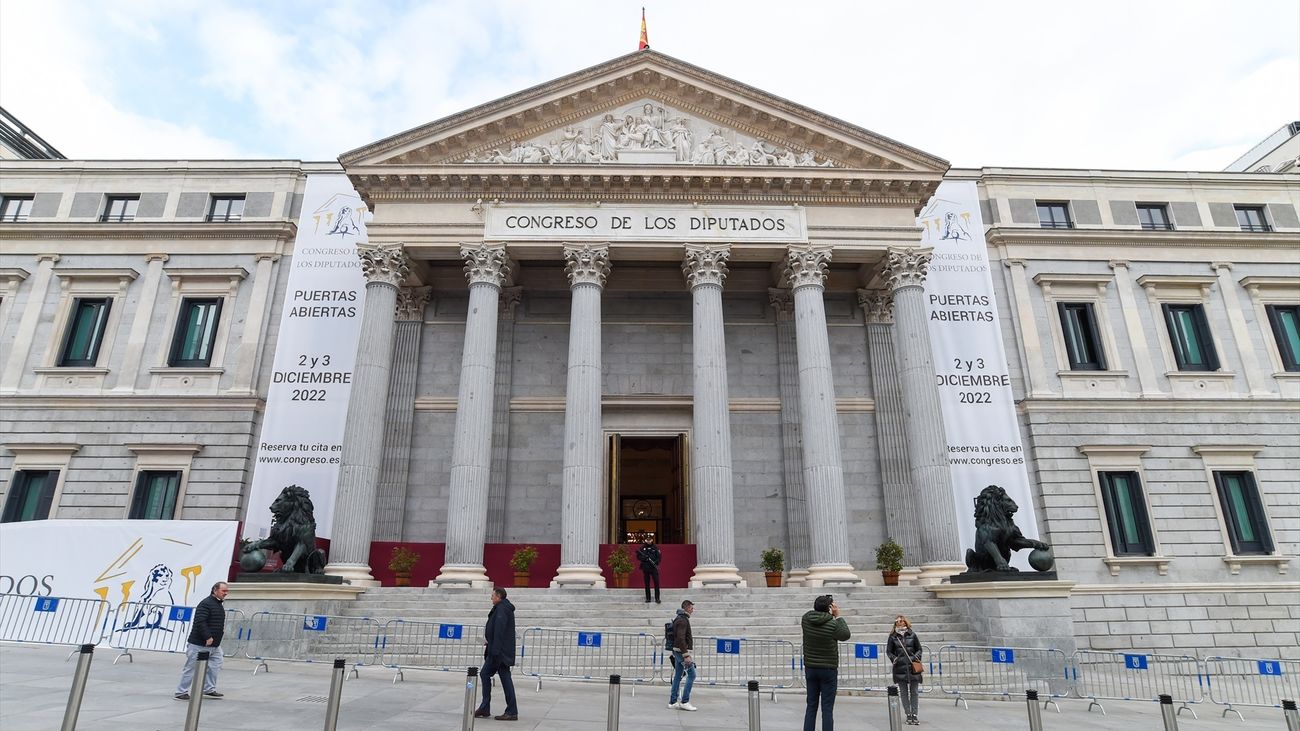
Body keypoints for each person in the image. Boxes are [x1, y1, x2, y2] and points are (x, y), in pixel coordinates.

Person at [800, 594, 850, 731]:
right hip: (828, 669)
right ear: (829, 608)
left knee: (811, 705)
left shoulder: (805, 619)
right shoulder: (833, 624)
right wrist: (837, 616)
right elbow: (845, 635)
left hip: (811, 667)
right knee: (827, 708)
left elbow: (815, 617)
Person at [174, 581, 228, 700]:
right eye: (223, 591)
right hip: (199, 643)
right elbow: (200, 621)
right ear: (215, 590)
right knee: (191, 667)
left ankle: (209, 689)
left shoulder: (218, 604)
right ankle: (180, 692)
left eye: (226, 591)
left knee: (215, 664)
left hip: (214, 645)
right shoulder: (206, 603)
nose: (226, 593)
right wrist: (207, 636)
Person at [474, 588, 519, 721]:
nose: (491, 598)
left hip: (499, 652)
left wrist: (494, 650)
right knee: (499, 677)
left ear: (498, 596)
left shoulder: (501, 609)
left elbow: (499, 631)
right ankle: (489, 707)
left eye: (492, 595)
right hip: (499, 650)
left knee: (488, 675)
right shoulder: (502, 608)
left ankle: (509, 710)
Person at [887, 614, 923, 725]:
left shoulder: (912, 634)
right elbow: (889, 651)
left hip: (912, 667)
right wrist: (895, 659)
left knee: (914, 692)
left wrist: (915, 657)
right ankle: (908, 714)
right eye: (897, 621)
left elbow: (919, 649)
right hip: (900, 667)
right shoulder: (893, 637)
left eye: (901, 621)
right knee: (903, 692)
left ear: (905, 622)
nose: (900, 623)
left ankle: (914, 714)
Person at [668, 599, 697, 711]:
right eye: (691, 608)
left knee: (678, 675)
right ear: (687, 608)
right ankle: (685, 701)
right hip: (681, 652)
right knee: (692, 675)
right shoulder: (683, 620)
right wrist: (686, 655)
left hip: (677, 651)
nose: (693, 610)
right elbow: (680, 638)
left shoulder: (680, 618)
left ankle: (673, 701)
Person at [636, 538, 661, 603]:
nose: (649, 541)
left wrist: (655, 562)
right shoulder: (642, 548)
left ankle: (657, 598)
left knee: (656, 582)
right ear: (646, 540)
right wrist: (644, 558)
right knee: (647, 583)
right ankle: (648, 598)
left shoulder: (655, 547)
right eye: (647, 540)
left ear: (652, 540)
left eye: (650, 540)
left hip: (653, 567)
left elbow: (659, 557)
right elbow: (638, 556)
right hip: (645, 567)